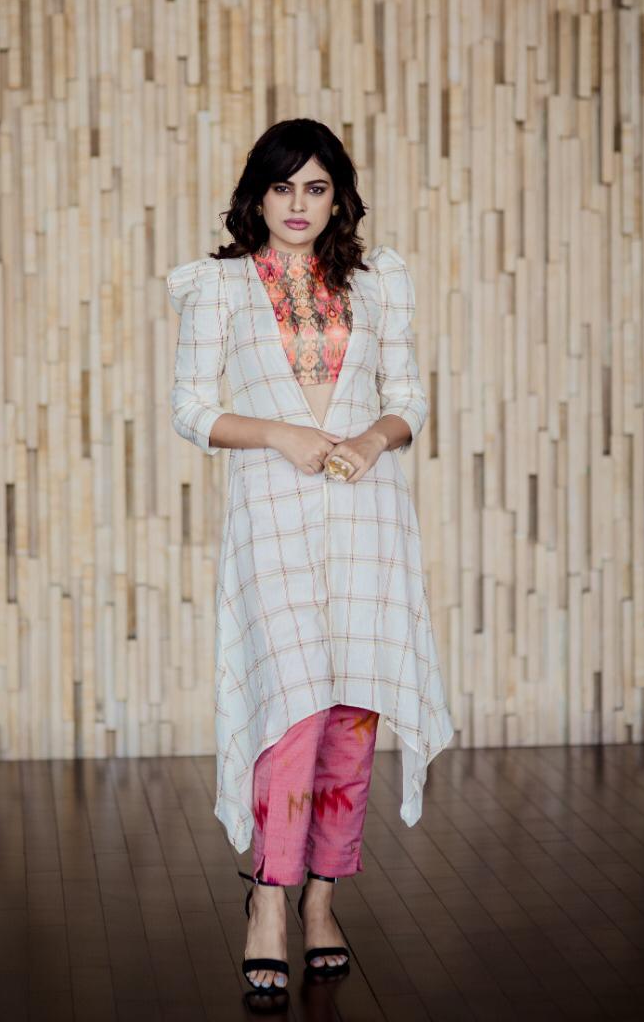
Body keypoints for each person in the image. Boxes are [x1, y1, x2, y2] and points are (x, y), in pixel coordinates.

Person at [166, 118, 454, 997]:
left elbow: (407, 398)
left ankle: (322, 899)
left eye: (316, 187)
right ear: (257, 195)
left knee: (351, 716)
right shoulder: (218, 286)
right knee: (290, 711)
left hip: (368, 515)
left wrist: (370, 439)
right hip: (273, 513)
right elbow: (190, 408)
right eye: (283, 186)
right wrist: (277, 434)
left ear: (339, 198)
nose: (298, 204)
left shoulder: (378, 280)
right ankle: (268, 897)